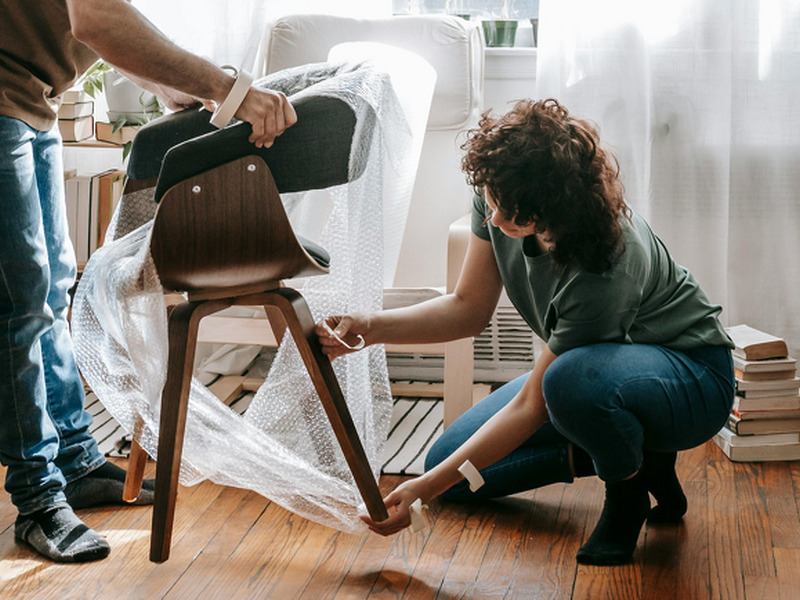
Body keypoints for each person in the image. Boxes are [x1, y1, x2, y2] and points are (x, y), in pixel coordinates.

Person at [316, 98, 735, 566]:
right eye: (491, 203)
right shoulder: (502, 194)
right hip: (601, 376)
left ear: (559, 209)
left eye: (510, 214)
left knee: (563, 383)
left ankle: (628, 491)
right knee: (450, 469)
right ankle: (640, 455)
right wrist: (370, 327)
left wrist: (421, 492)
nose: (494, 220)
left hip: (691, 380)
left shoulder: (605, 266)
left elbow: (532, 404)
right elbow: (467, 309)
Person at [0, 0, 296, 563]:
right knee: (18, 305)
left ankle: (75, 463)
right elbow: (99, 22)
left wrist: (175, 86)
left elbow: (99, 21)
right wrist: (231, 92)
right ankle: (38, 499)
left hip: (30, 98)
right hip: (6, 94)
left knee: (52, 288)